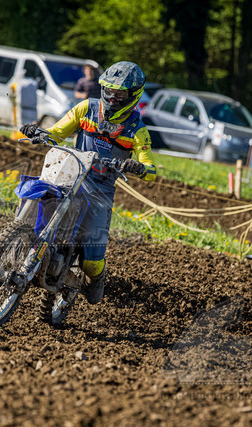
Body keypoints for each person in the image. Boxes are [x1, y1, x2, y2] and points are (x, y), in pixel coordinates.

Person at [21, 61, 156, 305]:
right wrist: (40, 133)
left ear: (133, 95)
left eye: (120, 94)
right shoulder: (86, 108)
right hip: (71, 173)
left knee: (92, 262)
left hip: (100, 189)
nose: (113, 98)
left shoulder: (138, 130)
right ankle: (19, 241)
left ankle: (97, 278)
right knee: (39, 195)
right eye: (109, 91)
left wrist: (139, 167)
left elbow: (151, 170)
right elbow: (58, 131)